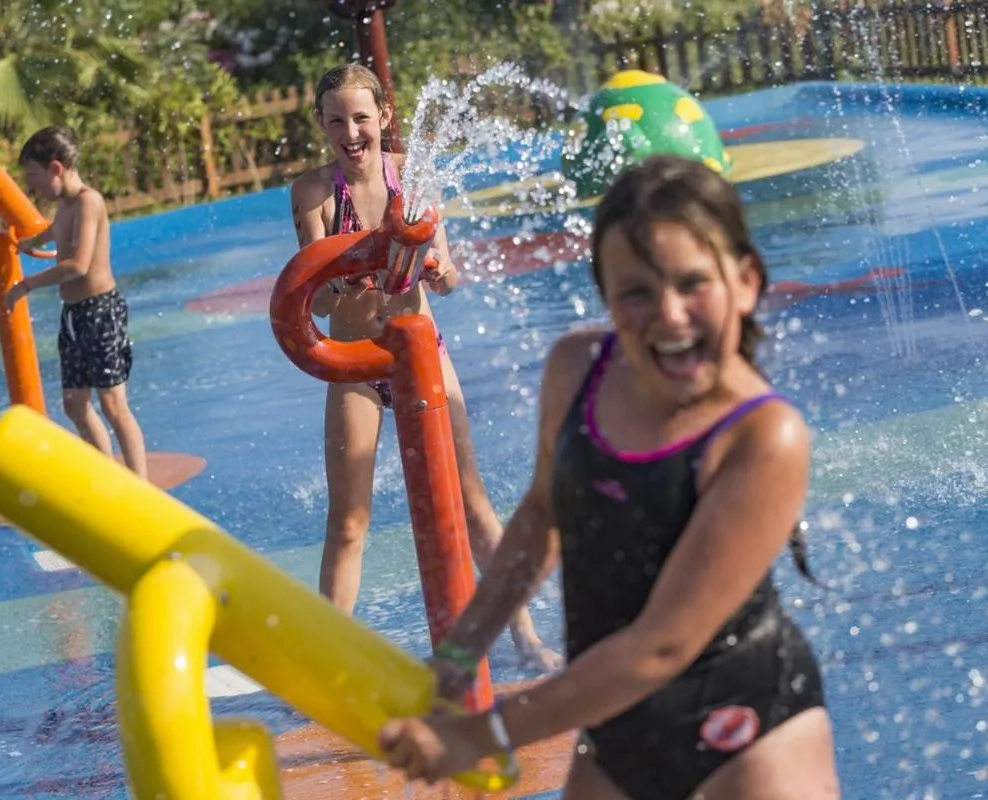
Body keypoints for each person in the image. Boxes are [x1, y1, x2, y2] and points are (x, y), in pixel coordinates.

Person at [377, 155, 841, 799]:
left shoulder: (763, 436)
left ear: (746, 281)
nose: (670, 315)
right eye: (637, 292)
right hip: (618, 728)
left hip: (751, 734)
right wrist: (459, 656)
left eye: (692, 284)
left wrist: (481, 734)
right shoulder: (577, 372)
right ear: (606, 297)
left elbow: (660, 647)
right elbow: (542, 518)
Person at [289, 63, 560, 670]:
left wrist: (438, 271)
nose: (351, 132)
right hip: (355, 364)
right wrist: (345, 277)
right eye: (337, 121)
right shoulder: (312, 195)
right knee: (350, 520)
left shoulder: (414, 174)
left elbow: (448, 276)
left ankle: (526, 637)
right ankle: (330, 664)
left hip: (421, 356)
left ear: (383, 115)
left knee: (471, 501)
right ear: (322, 125)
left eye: (361, 118)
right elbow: (315, 292)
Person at [3, 125, 148, 480]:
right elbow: (55, 233)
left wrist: (25, 285)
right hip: (74, 315)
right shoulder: (64, 205)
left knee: (113, 404)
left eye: (34, 176)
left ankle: (141, 487)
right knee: (74, 403)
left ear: (56, 167)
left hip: (101, 311)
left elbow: (77, 265)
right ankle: (111, 480)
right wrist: (28, 243)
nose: (32, 186)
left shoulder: (88, 201)